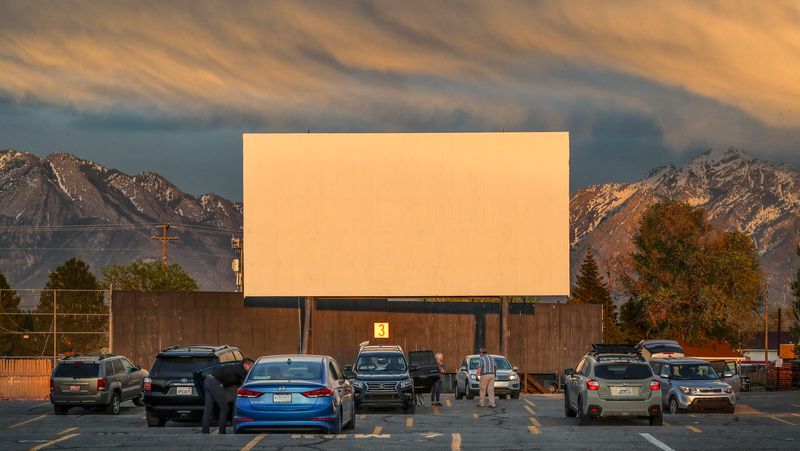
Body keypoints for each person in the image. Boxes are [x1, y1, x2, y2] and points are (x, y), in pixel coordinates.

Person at [201, 357, 254, 434]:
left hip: (207, 381)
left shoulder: (235, 368)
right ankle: (222, 431)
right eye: (251, 366)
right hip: (214, 382)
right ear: (245, 365)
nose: (251, 368)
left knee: (208, 408)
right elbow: (247, 382)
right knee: (225, 408)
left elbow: (232, 381)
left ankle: (205, 431)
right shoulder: (241, 370)